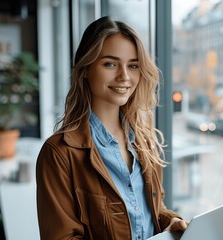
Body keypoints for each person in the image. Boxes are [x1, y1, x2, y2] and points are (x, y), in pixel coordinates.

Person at [36, 16, 188, 240]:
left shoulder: (144, 140)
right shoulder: (59, 153)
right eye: (110, 64)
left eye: (133, 65)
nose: (125, 76)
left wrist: (170, 221)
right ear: (85, 69)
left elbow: (147, 211)